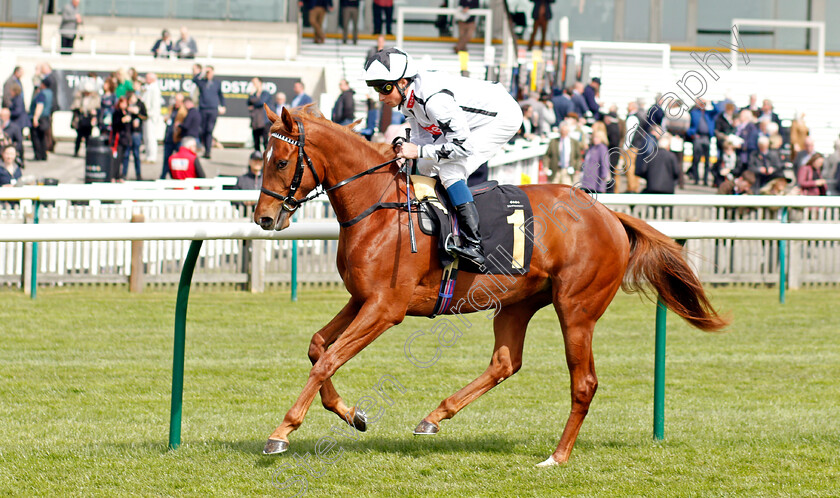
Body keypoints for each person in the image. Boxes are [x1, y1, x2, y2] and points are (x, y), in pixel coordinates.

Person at [364, 48, 523, 265]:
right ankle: (441, 230)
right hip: (474, 118)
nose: (381, 96)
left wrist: (417, 151)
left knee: (450, 170)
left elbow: (462, 147)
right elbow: (422, 140)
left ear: (402, 82)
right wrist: (407, 150)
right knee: (426, 166)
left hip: (502, 116)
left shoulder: (433, 101)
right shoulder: (407, 100)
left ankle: (474, 244)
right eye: (376, 89)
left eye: (385, 88)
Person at [192, 65, 226, 159]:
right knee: (202, 130)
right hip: (203, 109)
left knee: (209, 130)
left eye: (209, 72)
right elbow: (194, 79)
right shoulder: (202, 82)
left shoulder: (216, 83)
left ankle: (208, 151)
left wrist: (223, 106)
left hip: (213, 109)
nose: (208, 74)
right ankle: (204, 146)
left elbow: (221, 95)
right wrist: (202, 72)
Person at [686, 98, 714, 185]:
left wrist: (710, 102)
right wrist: (692, 134)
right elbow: (688, 123)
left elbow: (717, 110)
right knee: (696, 159)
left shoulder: (709, 113)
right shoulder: (694, 112)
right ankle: (696, 179)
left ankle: (705, 180)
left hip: (706, 138)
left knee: (706, 161)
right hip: (697, 137)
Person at [70, 80, 100, 157]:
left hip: (89, 119)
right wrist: (78, 108)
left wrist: (93, 113)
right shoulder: (79, 97)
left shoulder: (95, 97)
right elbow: (74, 106)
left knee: (88, 137)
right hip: (80, 119)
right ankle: (76, 151)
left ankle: (88, 152)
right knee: (79, 137)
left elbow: (96, 107)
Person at [161, 93, 185, 179]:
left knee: (178, 160)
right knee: (166, 159)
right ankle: (163, 177)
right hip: (169, 136)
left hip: (177, 138)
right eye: (176, 100)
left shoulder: (183, 111)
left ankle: (177, 178)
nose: (177, 102)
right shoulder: (171, 108)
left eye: (179, 100)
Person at [29, 78, 54, 161]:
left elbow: (40, 106)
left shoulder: (41, 94)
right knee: (43, 137)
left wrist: (35, 118)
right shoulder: (50, 93)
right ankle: (44, 154)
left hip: (39, 118)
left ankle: (38, 155)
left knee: (36, 137)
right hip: (45, 117)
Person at [109, 96, 133, 182]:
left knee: (124, 158)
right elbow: (115, 125)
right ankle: (114, 176)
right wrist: (122, 120)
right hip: (118, 139)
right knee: (116, 159)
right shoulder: (117, 112)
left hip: (126, 138)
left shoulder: (127, 112)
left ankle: (121, 175)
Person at [125, 92, 147, 180]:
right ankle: (123, 174)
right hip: (128, 131)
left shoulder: (140, 104)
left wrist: (137, 115)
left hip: (136, 132)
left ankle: (138, 175)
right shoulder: (126, 104)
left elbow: (145, 116)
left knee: (136, 154)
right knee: (126, 154)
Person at [142, 73, 163, 163]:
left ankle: (152, 156)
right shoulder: (148, 88)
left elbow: (155, 104)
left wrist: (150, 114)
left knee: (151, 137)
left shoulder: (155, 89)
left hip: (151, 117)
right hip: (146, 116)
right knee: (146, 137)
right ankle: (148, 155)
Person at [248, 78, 273, 152]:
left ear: (260, 83)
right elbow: (248, 103)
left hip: (264, 121)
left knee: (265, 141)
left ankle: (268, 159)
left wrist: (253, 99)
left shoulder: (265, 93)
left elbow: (261, 102)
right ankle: (257, 158)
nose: (254, 84)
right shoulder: (254, 94)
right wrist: (252, 95)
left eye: (255, 82)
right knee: (256, 142)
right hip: (255, 121)